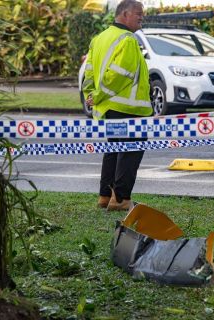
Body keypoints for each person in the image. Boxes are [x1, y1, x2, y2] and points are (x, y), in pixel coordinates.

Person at [83, 0, 153, 211]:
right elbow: (121, 75)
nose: (142, 17)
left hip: (109, 108)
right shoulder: (128, 39)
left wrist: (92, 95)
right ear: (124, 14)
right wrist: (99, 94)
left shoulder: (99, 38)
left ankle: (105, 196)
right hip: (129, 108)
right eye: (138, 13)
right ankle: (121, 199)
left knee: (113, 149)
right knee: (130, 151)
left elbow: (89, 72)